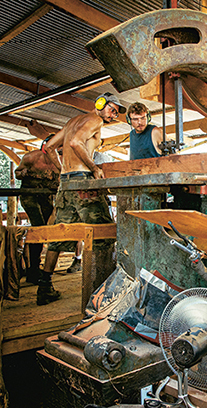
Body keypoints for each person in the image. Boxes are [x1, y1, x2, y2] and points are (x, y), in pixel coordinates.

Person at [36, 92, 124, 306]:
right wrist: (93, 168)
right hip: (83, 183)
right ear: (100, 104)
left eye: (116, 112)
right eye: (112, 109)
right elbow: (76, 142)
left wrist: (62, 172)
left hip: (66, 184)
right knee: (105, 233)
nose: (113, 114)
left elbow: (47, 147)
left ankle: (44, 286)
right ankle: (105, 292)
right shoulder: (94, 120)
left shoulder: (72, 121)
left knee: (60, 233)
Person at [15, 136, 60, 284]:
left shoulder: (59, 162)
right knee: (38, 227)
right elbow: (17, 172)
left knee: (48, 229)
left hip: (46, 197)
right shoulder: (31, 157)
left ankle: (36, 267)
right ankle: (33, 269)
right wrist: (27, 174)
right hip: (30, 196)